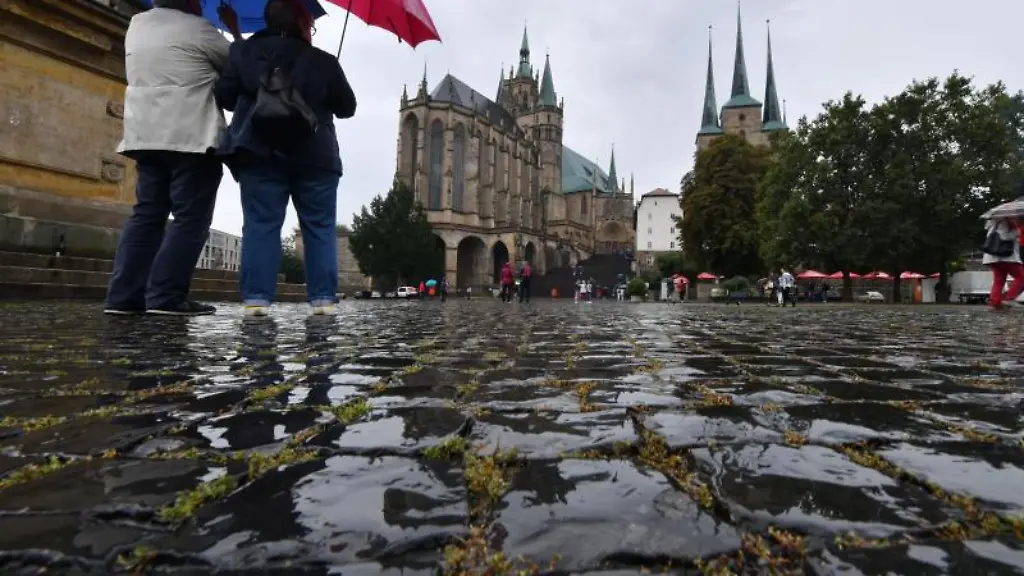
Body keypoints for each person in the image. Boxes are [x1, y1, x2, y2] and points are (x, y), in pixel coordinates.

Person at [215, 0, 356, 317]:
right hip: (315, 154)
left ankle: (256, 301)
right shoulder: (322, 60)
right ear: (303, 23)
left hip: (258, 149)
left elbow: (224, 96)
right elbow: (347, 107)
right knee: (319, 227)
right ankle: (322, 301)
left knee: (261, 224)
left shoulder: (242, 52)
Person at [104, 0, 241, 316]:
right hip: (191, 137)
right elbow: (237, 67)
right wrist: (232, 30)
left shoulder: (137, 25)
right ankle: (165, 295)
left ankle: (122, 297)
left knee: (147, 215)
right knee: (190, 219)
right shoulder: (201, 30)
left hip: (145, 135)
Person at [983, 217, 1024, 310]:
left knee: (998, 281)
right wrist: (1017, 232)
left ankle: (995, 302)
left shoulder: (992, 223)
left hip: (993, 257)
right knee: (1021, 276)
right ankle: (1009, 298)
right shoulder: (1005, 222)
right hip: (1006, 257)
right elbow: (1004, 236)